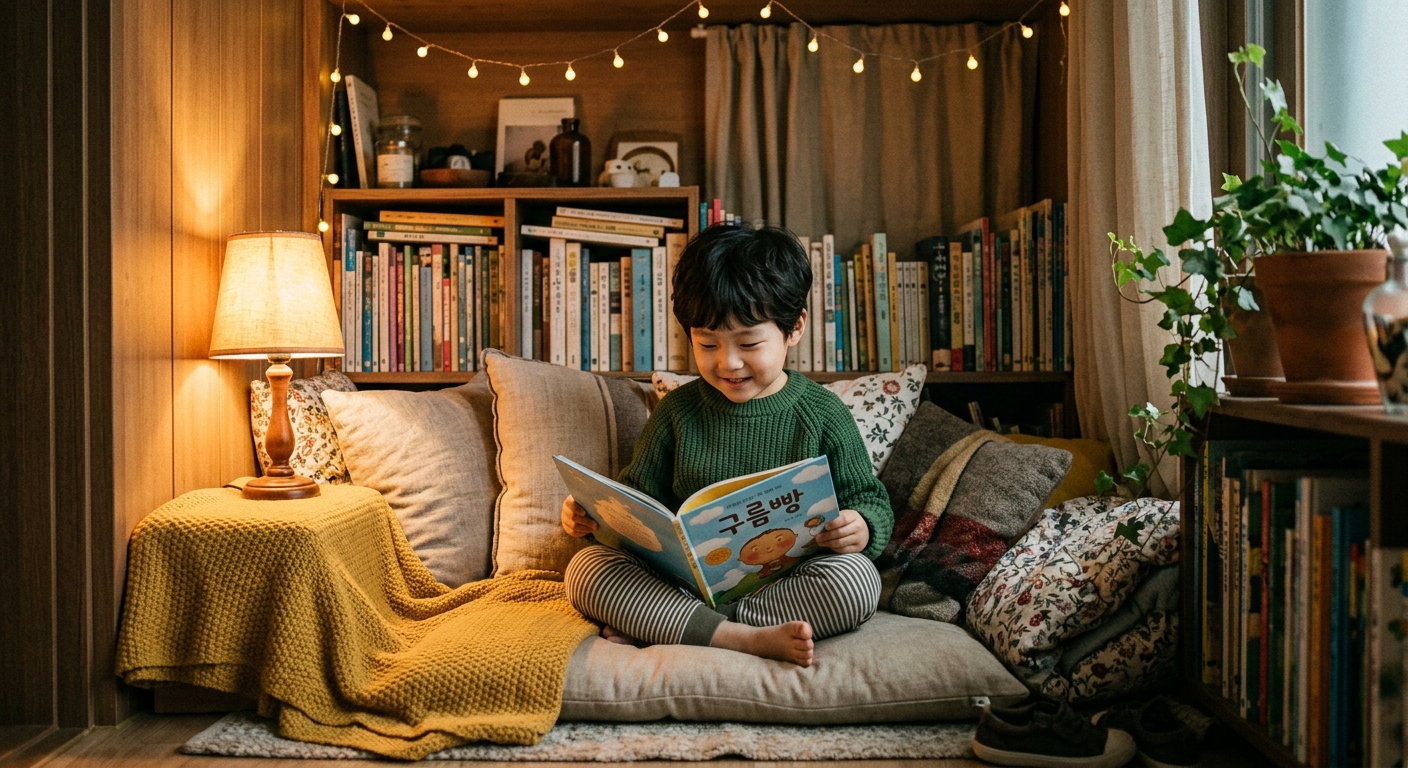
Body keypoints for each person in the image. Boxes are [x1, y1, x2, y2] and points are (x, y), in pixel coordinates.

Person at [559, 224, 893, 667]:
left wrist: (860, 527)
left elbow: (869, 500)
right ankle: (739, 636)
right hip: (679, 585)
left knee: (856, 582)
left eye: (749, 343)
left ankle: (684, 627)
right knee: (587, 572)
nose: (727, 362)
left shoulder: (822, 413)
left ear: (795, 328)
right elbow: (637, 505)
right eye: (707, 343)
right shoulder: (678, 412)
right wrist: (594, 518)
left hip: (785, 585)